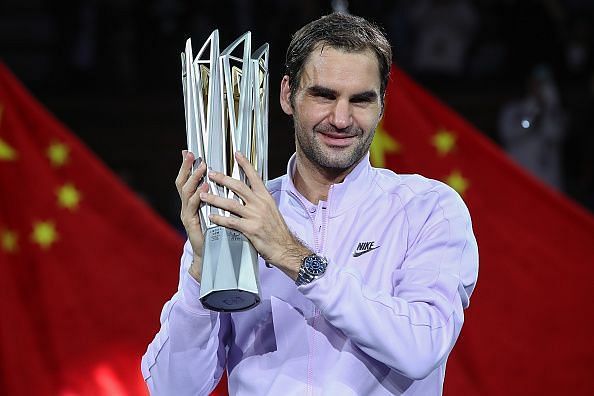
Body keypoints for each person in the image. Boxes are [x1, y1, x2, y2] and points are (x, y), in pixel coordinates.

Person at [142, 12, 479, 395]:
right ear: (288, 95)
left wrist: (294, 257)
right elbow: (173, 388)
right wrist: (201, 274)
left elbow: (421, 348)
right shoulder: (236, 210)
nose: (341, 118)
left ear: (382, 105)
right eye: (324, 95)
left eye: (361, 100)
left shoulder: (429, 208)